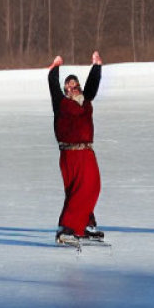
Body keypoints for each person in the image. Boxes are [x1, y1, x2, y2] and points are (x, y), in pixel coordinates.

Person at [48, 52, 104, 246]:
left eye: (74, 84)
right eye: (68, 85)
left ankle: (84, 225)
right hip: (70, 153)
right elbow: (52, 86)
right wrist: (55, 68)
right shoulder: (61, 103)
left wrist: (96, 66)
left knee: (90, 188)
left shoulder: (85, 100)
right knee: (81, 189)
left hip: (86, 152)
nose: (71, 87)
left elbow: (93, 86)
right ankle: (67, 228)